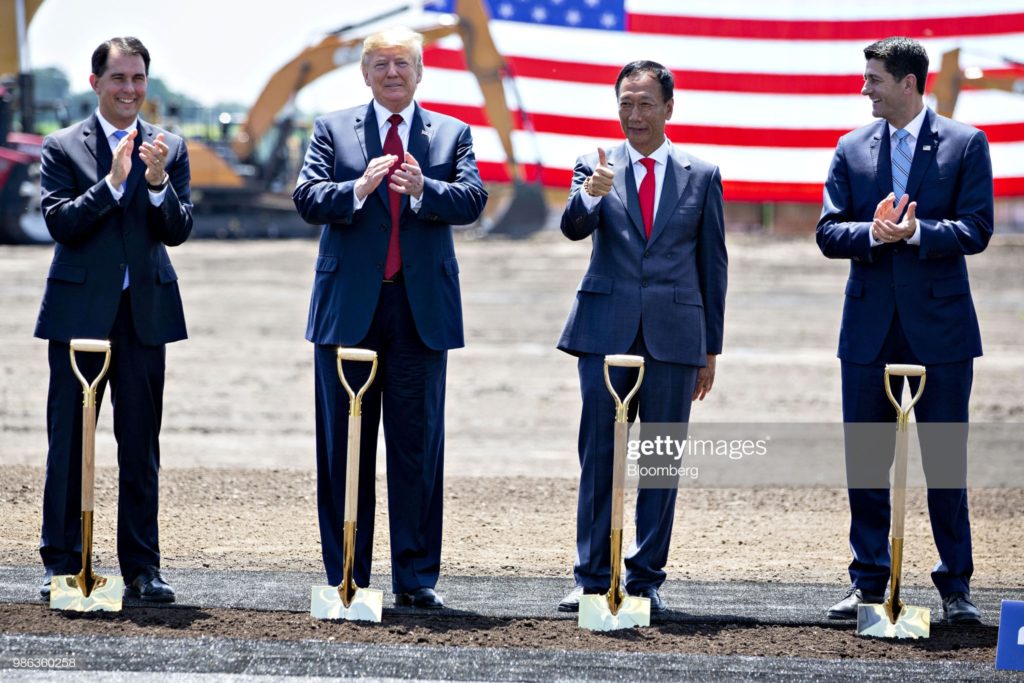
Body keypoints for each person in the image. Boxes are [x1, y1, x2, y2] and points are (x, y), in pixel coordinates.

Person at [293, 27, 486, 609]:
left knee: (417, 448)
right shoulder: (331, 129)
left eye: (403, 64)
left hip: (419, 310)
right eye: (380, 64)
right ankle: (347, 573)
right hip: (350, 310)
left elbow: (474, 200)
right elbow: (307, 198)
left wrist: (427, 188)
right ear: (365, 72)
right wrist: (358, 189)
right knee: (343, 446)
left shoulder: (451, 133)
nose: (392, 73)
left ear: (420, 72)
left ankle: (416, 578)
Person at [817, 36, 992, 624]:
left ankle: (956, 590)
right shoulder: (849, 147)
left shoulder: (966, 143)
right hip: (867, 329)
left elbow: (977, 229)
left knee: (945, 463)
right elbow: (827, 232)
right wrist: (874, 232)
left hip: (941, 330)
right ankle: (867, 585)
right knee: (866, 462)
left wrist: (915, 234)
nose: (864, 88)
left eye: (874, 78)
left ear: (909, 83)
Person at [556, 60, 727, 614]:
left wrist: (710, 349)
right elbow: (573, 227)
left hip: (676, 336)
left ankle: (646, 578)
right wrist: (590, 195)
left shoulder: (701, 175)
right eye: (625, 103)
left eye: (645, 103)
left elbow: (712, 266)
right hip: (604, 331)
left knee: (659, 461)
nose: (634, 114)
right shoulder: (593, 164)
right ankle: (591, 577)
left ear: (668, 108)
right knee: (600, 456)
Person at [35, 36, 192, 602]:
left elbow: (178, 230)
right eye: (119, 78)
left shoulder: (168, 147)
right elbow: (62, 224)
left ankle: (143, 569)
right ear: (96, 82)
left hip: (145, 314)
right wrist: (113, 184)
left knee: (140, 443)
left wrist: (155, 187)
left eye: (138, 79)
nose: (130, 89)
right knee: (70, 441)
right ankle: (64, 563)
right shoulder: (61, 147)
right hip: (79, 314)